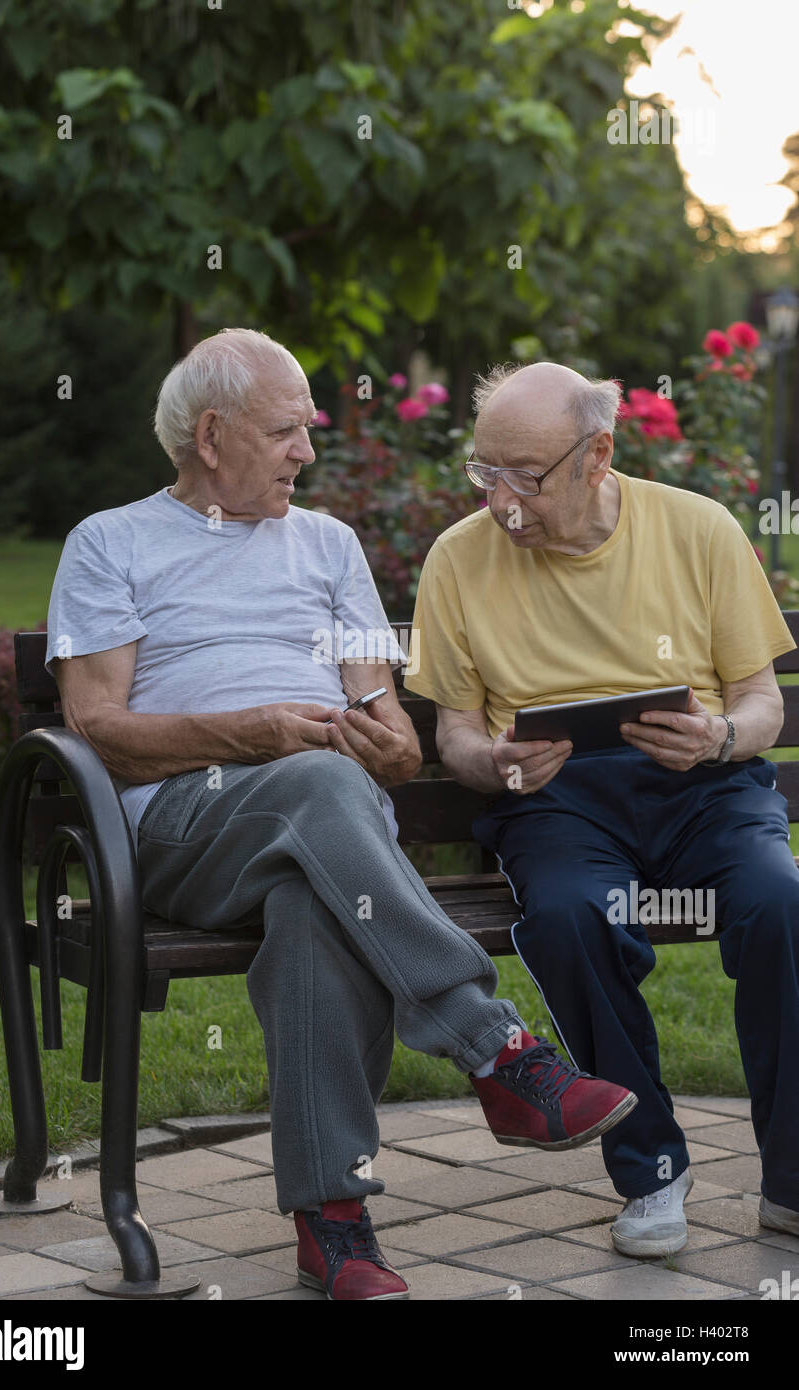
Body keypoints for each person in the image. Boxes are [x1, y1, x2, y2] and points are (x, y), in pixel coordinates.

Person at [44, 331, 635, 1301]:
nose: (305, 453)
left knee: (315, 907)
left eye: (307, 431)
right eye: (285, 432)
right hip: (181, 828)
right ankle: (495, 1049)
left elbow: (385, 721)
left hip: (320, 824)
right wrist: (254, 734)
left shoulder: (328, 544)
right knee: (317, 787)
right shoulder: (111, 541)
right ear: (210, 435)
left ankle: (334, 1225)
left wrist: (386, 745)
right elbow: (95, 726)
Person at [404, 358, 799, 1258]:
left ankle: (795, 1181)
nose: (501, 502)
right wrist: (496, 764)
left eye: (524, 477)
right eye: (484, 472)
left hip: (705, 786)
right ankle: (651, 1171)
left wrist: (721, 739)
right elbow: (455, 736)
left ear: (598, 455)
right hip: (556, 803)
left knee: (782, 905)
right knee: (571, 919)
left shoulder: (697, 528)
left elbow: (760, 702)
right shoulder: (457, 560)